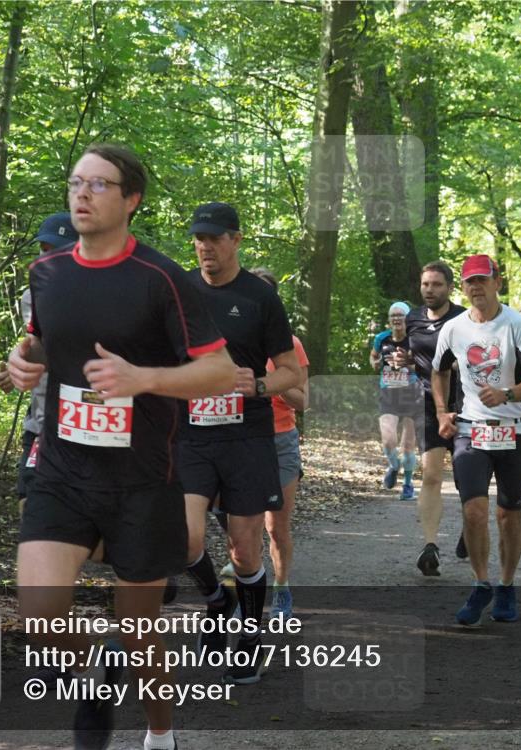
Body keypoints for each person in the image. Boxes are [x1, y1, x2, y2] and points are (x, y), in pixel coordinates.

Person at [8, 143, 236, 750]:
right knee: (40, 617)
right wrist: (20, 361)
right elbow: (38, 344)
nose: (82, 194)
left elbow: (220, 374)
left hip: (142, 477)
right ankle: (95, 672)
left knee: (139, 631)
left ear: (131, 200)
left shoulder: (161, 279)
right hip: (62, 468)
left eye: (99, 185)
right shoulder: (47, 274)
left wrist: (145, 379)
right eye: (76, 183)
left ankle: (161, 735)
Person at [179, 202, 302, 686]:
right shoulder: (180, 290)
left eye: (214, 237)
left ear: (236, 239)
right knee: (184, 538)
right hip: (190, 433)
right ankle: (216, 599)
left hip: (247, 436)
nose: (205, 246)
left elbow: (292, 376)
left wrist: (257, 386)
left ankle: (250, 638)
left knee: (245, 551)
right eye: (198, 238)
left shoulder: (260, 298)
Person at [431, 254, 521, 627]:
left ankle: (506, 585)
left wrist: (508, 394)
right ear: (461, 288)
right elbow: (438, 372)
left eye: (483, 280)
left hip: (514, 432)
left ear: (498, 282)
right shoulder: (454, 328)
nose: (476, 287)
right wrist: (441, 412)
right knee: (474, 512)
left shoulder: (516, 325)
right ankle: (481, 584)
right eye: (469, 282)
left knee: (508, 516)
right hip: (471, 431)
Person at [0, 212, 78, 511]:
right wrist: (15, 368)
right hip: (42, 422)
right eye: (44, 250)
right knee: (30, 506)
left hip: (86, 423)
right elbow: (38, 346)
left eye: (58, 251)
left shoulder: (104, 296)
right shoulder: (32, 296)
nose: (49, 258)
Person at [249, 267, 308, 620]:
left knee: (275, 526)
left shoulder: (290, 345)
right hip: (240, 440)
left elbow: (303, 401)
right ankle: (247, 593)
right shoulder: (226, 342)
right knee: (242, 525)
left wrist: (273, 381)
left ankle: (281, 587)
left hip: (280, 439)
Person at [404, 261, 465, 575]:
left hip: (467, 406)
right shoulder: (413, 318)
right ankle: (430, 545)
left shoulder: (464, 318)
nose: (430, 290)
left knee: (467, 475)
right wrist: (406, 358)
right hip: (427, 404)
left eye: (437, 284)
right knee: (430, 476)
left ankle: (472, 525)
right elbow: (416, 354)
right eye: (426, 284)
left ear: (450, 288)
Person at [370, 301, 423, 501]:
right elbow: (374, 356)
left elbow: (425, 367)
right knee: (388, 440)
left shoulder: (416, 340)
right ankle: (393, 465)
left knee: (408, 446)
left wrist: (407, 365)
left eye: (401, 315)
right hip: (389, 396)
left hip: (412, 396)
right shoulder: (381, 338)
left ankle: (408, 485)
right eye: (393, 316)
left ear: (408, 319)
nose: (397, 319)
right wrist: (375, 363)